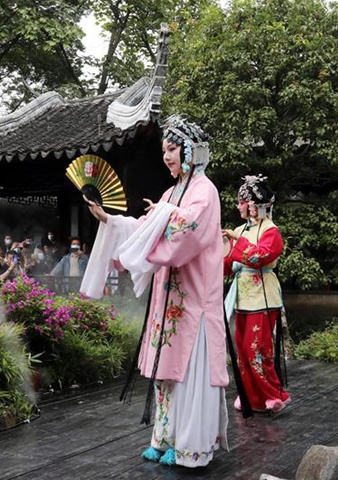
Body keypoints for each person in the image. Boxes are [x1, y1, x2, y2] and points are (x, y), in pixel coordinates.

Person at [81, 116, 228, 468]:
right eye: (165, 150)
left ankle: (192, 446)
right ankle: (164, 438)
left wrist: (164, 216)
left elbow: (185, 234)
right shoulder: (172, 192)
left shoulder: (204, 191)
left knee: (190, 373)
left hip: (193, 301)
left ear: (192, 151)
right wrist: (110, 220)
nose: (167, 156)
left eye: (173, 148)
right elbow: (144, 228)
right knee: (166, 372)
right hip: (169, 299)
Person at [222, 175, 290, 414]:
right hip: (243, 296)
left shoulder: (271, 231)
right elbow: (228, 263)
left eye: (242, 201)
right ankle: (250, 397)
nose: (239, 206)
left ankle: (274, 395)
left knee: (256, 350)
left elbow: (260, 256)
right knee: (242, 350)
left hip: (263, 296)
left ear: (253, 204)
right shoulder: (240, 230)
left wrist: (236, 240)